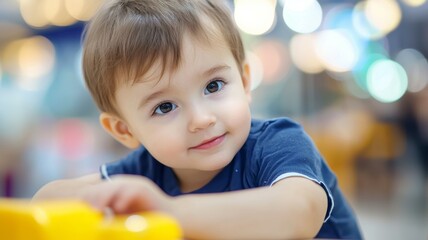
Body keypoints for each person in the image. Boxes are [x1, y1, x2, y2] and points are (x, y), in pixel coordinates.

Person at [33, 0, 362, 239]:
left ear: (245, 81)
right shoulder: (147, 172)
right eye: (164, 107)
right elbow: (46, 200)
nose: (201, 119)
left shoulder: (277, 144)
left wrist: (168, 211)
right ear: (124, 129)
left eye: (213, 86)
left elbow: (297, 214)